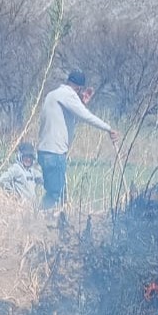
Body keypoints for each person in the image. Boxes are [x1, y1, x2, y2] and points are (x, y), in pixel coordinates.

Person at [37, 69, 120, 211]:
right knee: (56, 194)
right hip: (55, 152)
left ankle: (53, 221)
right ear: (79, 88)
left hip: (44, 152)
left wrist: (81, 103)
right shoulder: (68, 95)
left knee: (60, 194)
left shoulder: (53, 95)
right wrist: (108, 128)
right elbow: (86, 116)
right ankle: (38, 217)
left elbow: (68, 119)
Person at [0, 141, 42, 207]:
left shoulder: (31, 170)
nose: (28, 159)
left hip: (32, 206)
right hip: (21, 206)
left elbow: (42, 178)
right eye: (25, 156)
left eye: (30, 157)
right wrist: (13, 193)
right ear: (20, 156)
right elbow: (2, 179)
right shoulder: (17, 168)